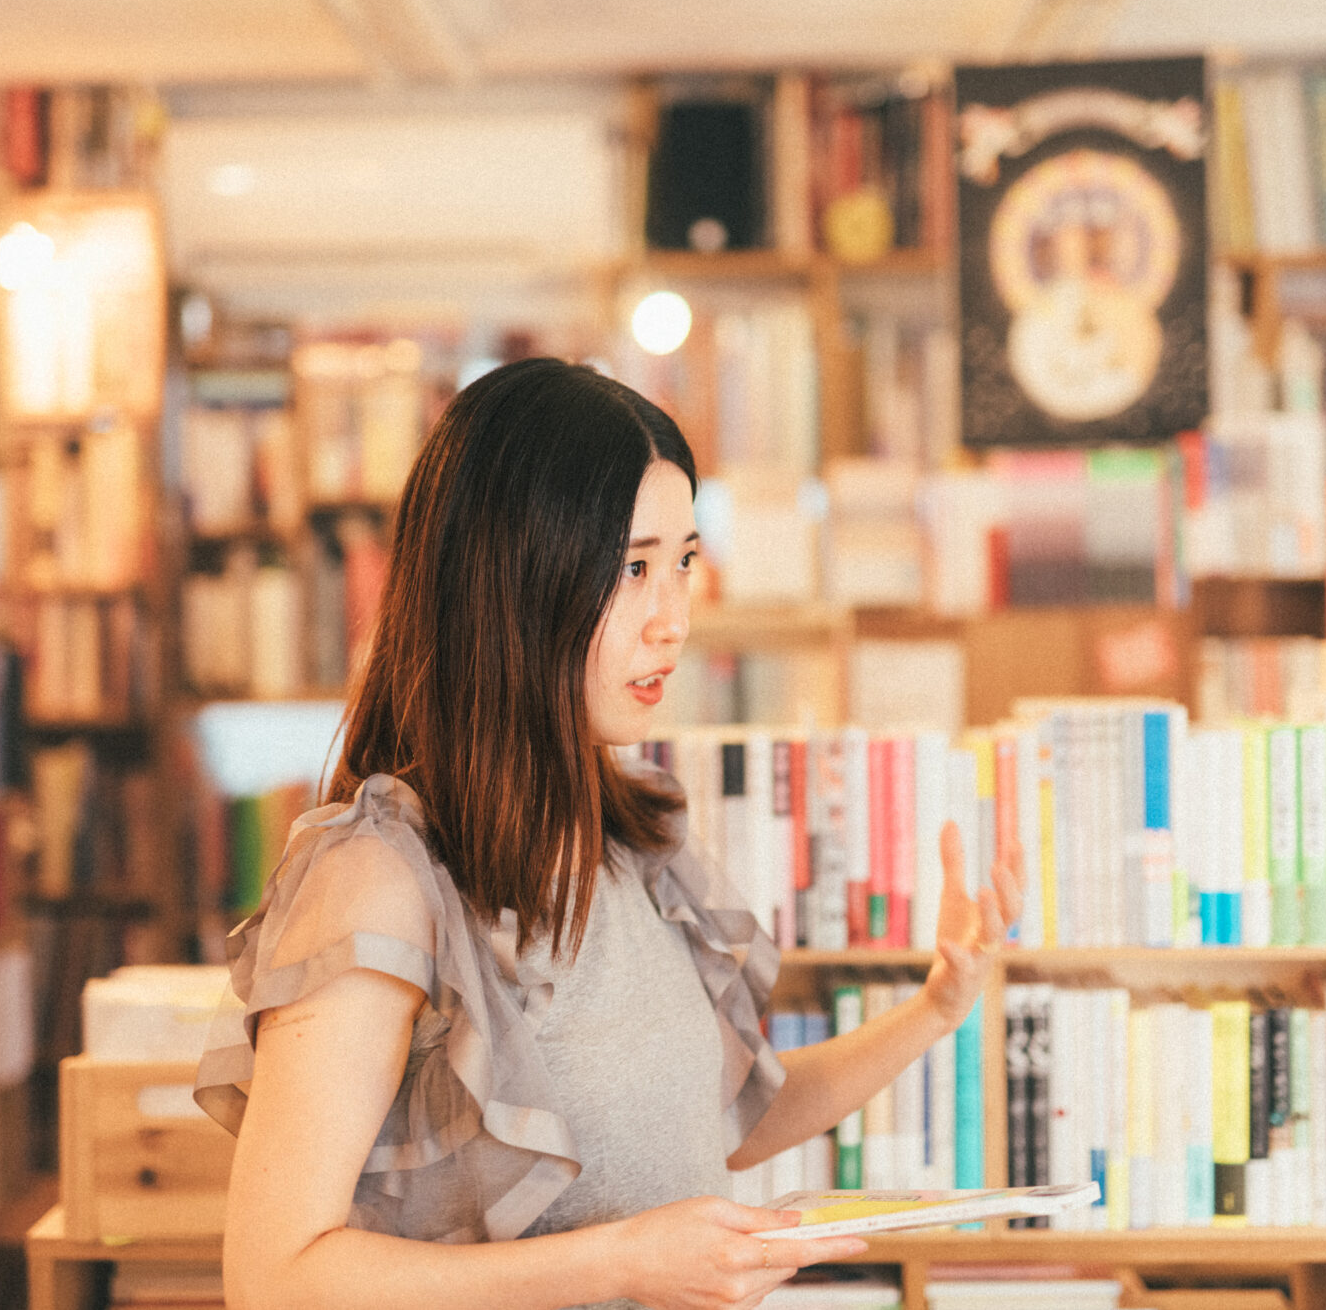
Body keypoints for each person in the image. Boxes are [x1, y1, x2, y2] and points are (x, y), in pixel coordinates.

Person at [195, 358, 1025, 1310]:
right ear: (514, 579)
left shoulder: (631, 838)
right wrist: (625, 1261)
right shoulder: (379, 875)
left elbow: (728, 1121)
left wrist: (937, 1004)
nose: (673, 619)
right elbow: (273, 1275)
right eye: (633, 568)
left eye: (683, 562)